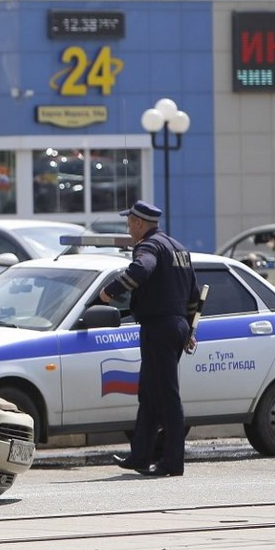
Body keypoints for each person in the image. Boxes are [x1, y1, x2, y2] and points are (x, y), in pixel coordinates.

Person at [99, 200, 200, 477]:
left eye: (129, 221)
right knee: (150, 392)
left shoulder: (148, 246)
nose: (128, 226)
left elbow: (141, 270)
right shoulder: (178, 248)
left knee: (166, 395)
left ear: (140, 223)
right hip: (176, 325)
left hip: (159, 327)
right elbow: (193, 297)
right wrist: (189, 330)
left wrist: (110, 291)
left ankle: (172, 461)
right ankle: (141, 454)